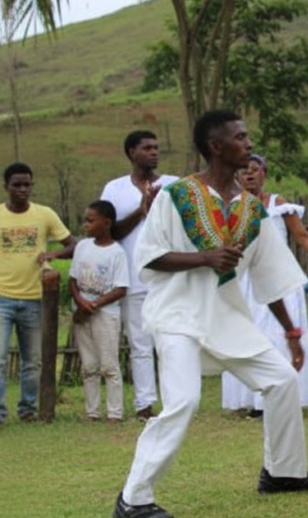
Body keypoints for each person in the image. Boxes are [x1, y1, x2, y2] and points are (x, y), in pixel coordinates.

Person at [112, 110, 308, 518]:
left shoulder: (253, 211)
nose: (249, 144)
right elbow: (150, 257)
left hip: (225, 319)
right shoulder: (175, 196)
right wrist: (204, 257)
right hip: (176, 314)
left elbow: (269, 279)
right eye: (240, 137)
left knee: (282, 381)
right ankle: (133, 497)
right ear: (216, 146)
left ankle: (283, 473)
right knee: (184, 400)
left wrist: (290, 331)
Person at [221, 155, 308, 416]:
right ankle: (253, 400)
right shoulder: (231, 205)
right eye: (244, 171)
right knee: (249, 336)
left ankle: (282, 396)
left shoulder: (278, 204)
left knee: (278, 336)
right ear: (236, 177)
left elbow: (302, 236)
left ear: (264, 173)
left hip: (278, 278)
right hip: (245, 281)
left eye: (255, 170)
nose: (249, 175)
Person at [101, 130, 179, 421]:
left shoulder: (173, 184)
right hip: (133, 277)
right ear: (131, 152)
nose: (154, 152)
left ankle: (175, 401)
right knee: (140, 343)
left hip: (169, 275)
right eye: (147, 148)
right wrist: (141, 209)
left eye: (156, 147)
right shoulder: (115, 189)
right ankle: (145, 404)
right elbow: (110, 231)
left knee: (170, 341)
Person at [0, 163, 77, 426]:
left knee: (32, 360)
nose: (22, 190)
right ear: (6, 187)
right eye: (16, 185)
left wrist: (54, 254)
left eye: (27, 185)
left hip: (35, 298)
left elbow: (72, 244)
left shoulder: (44, 215)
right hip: (2, 298)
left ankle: (27, 410)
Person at [69, 201, 129, 422]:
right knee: (89, 365)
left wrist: (93, 305)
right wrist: (80, 302)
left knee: (109, 365)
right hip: (82, 311)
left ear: (106, 223)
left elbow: (120, 288)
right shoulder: (83, 246)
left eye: (90, 220)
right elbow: (73, 280)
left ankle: (114, 413)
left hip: (105, 314)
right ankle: (91, 412)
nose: (86, 225)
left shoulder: (117, 253)